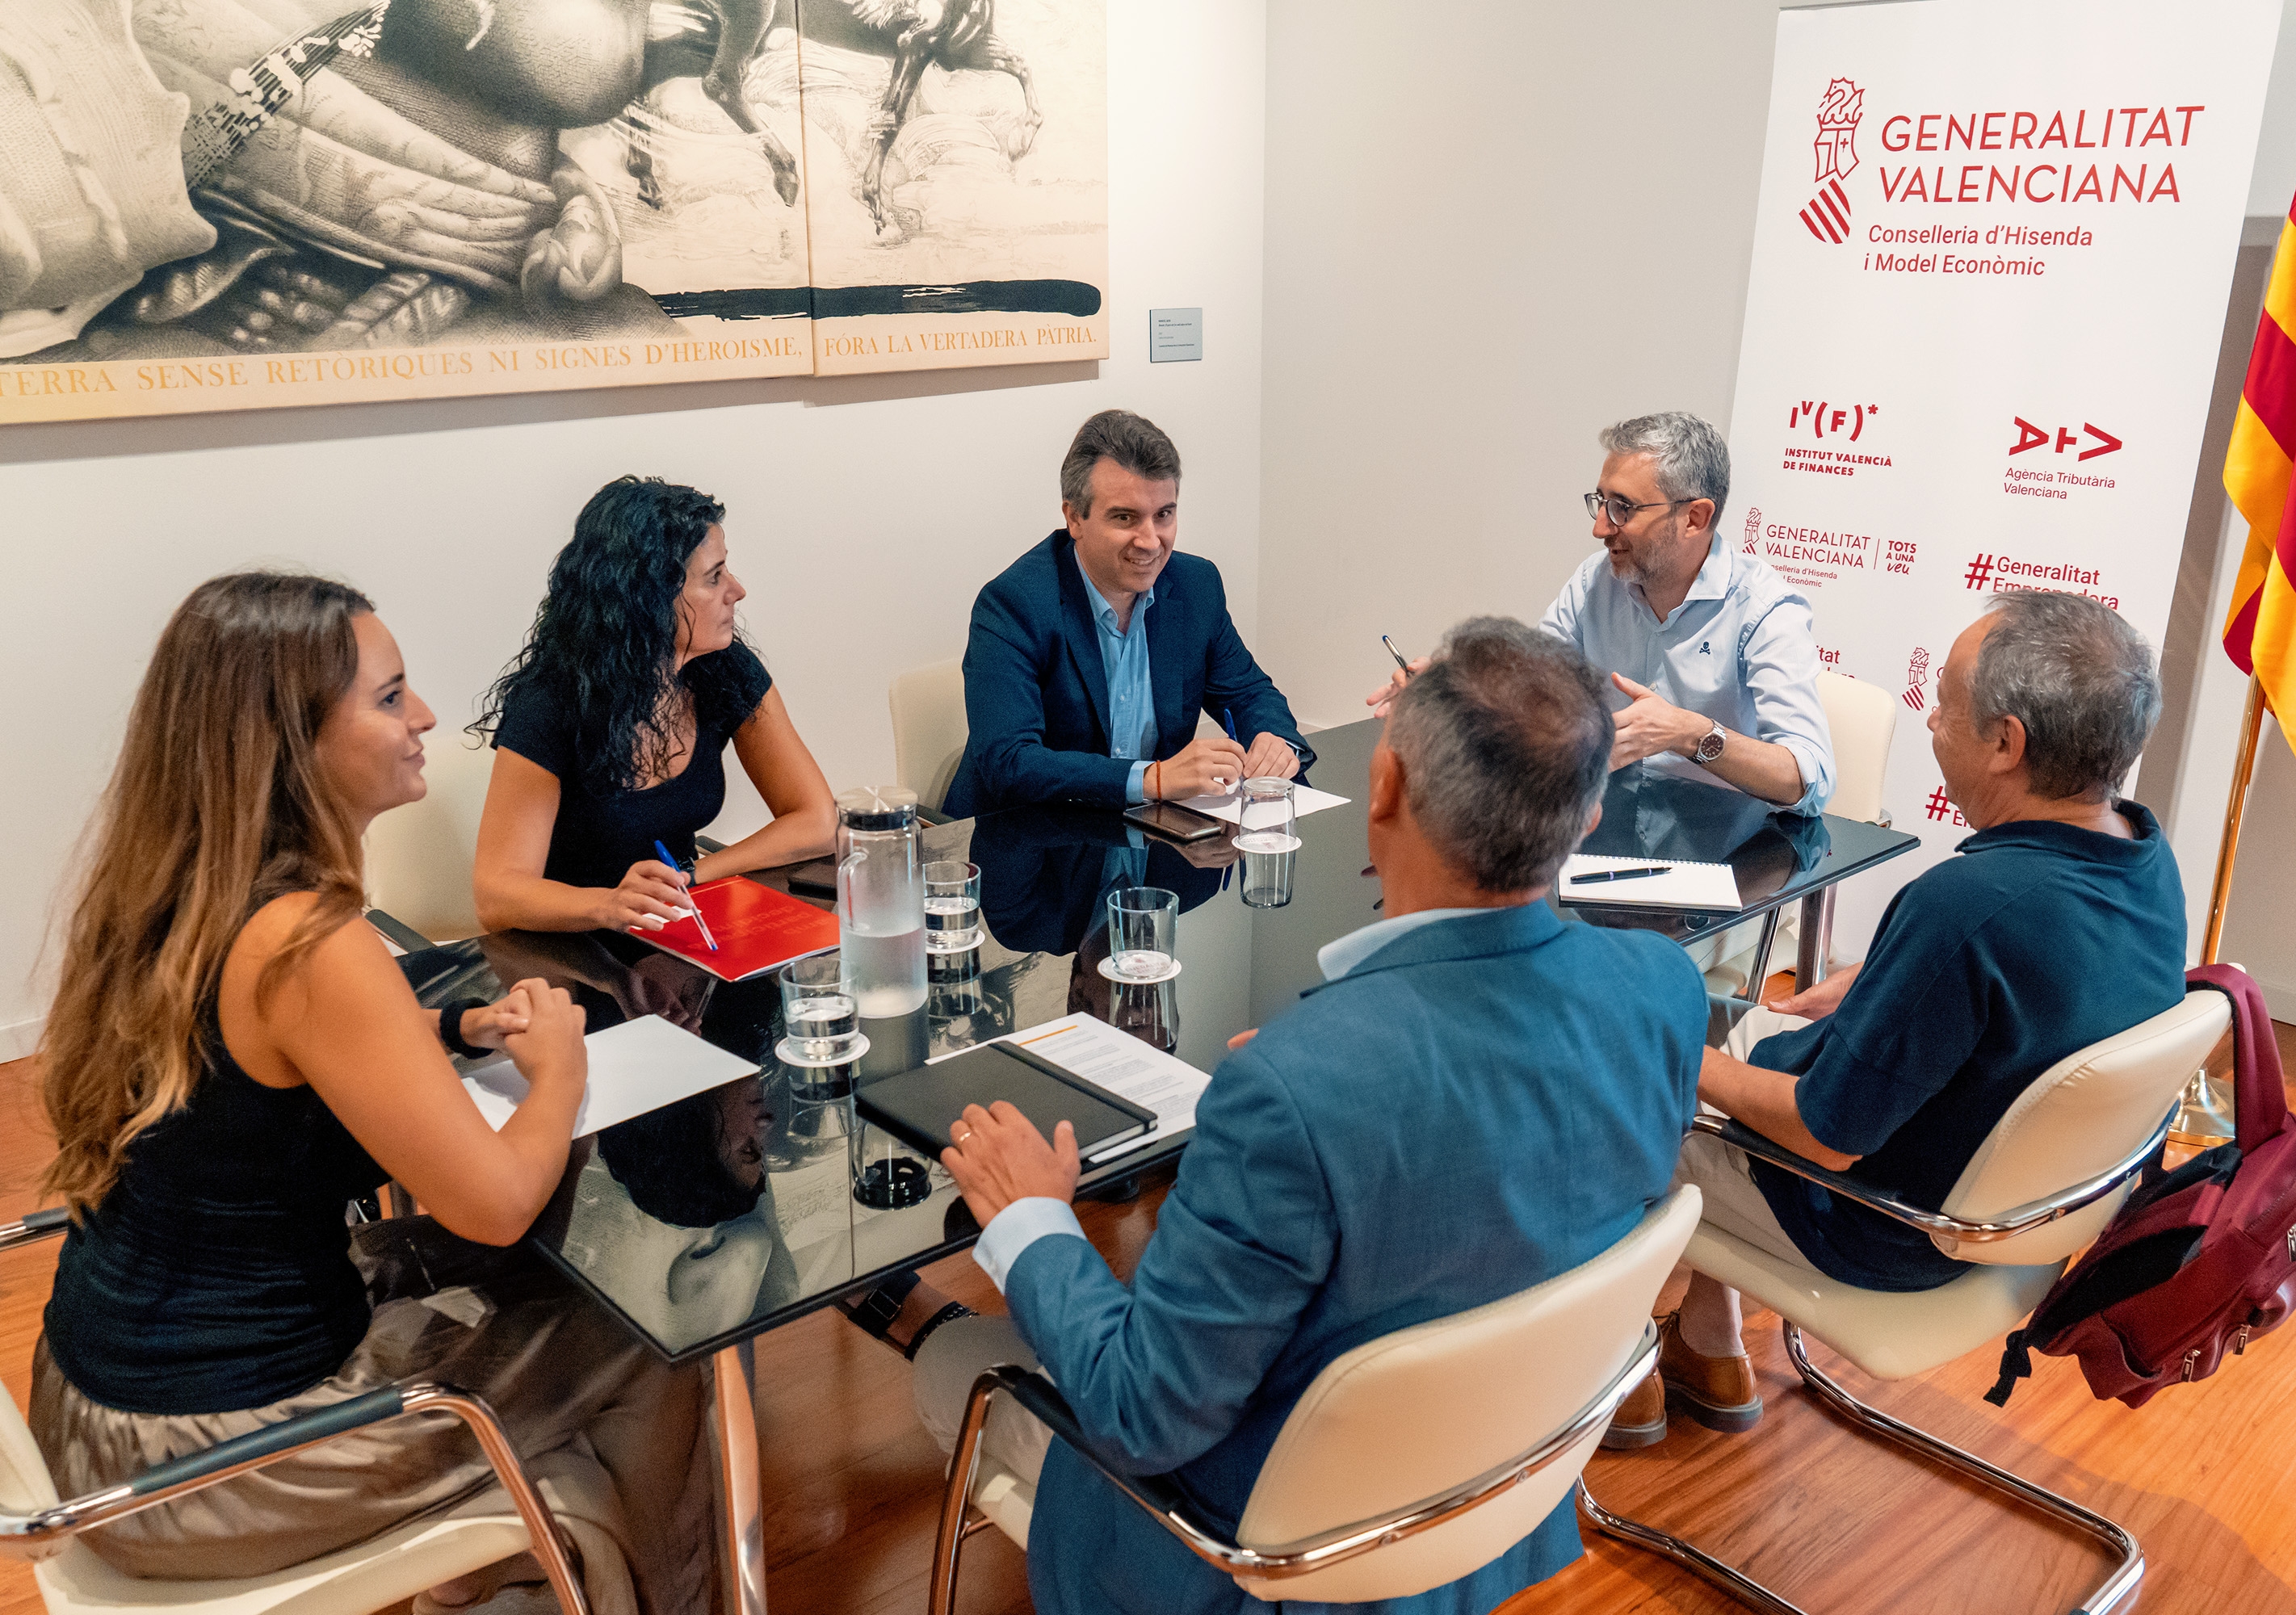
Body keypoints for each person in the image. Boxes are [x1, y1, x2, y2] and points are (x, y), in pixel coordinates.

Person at [919, 617, 1707, 1615]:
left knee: (955, 1360)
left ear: (1381, 790)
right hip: (1498, 1512)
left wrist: (1032, 1215)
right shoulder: (1663, 989)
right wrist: (1306, 1081)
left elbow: (1138, 1412)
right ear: (1588, 817)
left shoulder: (1297, 1089)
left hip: (1257, 1560)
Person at [32, 572, 712, 1615]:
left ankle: (520, 1568)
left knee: (515, 1282)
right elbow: (492, 1198)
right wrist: (559, 1070)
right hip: (206, 1466)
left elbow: (252, 1064)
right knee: (652, 1327)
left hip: (93, 1406)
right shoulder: (311, 942)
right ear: (291, 742)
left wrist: (447, 1027)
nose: (427, 717)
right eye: (391, 697)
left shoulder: (171, 885)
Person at [1609, 589, 2184, 1447]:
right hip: (2029, 1215)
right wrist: (1887, 980)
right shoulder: (2141, 851)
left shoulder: (1967, 909)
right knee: (1700, 1011)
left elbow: (1823, 1134)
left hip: (1876, 1223)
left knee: (1611, 1072)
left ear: (2006, 741)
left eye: (1945, 702)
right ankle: (1710, 1340)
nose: (1928, 717)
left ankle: (1614, 1363)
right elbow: (2047, 983)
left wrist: (1669, 1058)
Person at [1370, 411, 1832, 813]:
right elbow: (1533, 684)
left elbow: (1809, 779)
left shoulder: (1763, 610)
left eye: (1622, 508)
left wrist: (1690, 734)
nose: (1599, 527)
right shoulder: (1598, 581)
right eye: (1600, 502)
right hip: (1602, 826)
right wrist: (1453, 685)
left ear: (1695, 517)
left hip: (1724, 856)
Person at [473, 476, 837, 935]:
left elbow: (817, 821)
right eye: (714, 577)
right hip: (574, 945)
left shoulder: (723, 668)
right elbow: (497, 893)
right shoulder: (551, 702)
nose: (737, 590)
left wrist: (690, 877)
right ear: (650, 600)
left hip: (674, 925)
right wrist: (609, 905)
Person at [944, 409, 1312, 817]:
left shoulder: (1196, 586)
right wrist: (1152, 779)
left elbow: (1249, 692)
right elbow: (1011, 763)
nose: (1151, 541)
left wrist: (1274, 741)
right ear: (1074, 518)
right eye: (1125, 517)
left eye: (1164, 515)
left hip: (1149, 837)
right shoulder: (1014, 604)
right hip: (1032, 846)